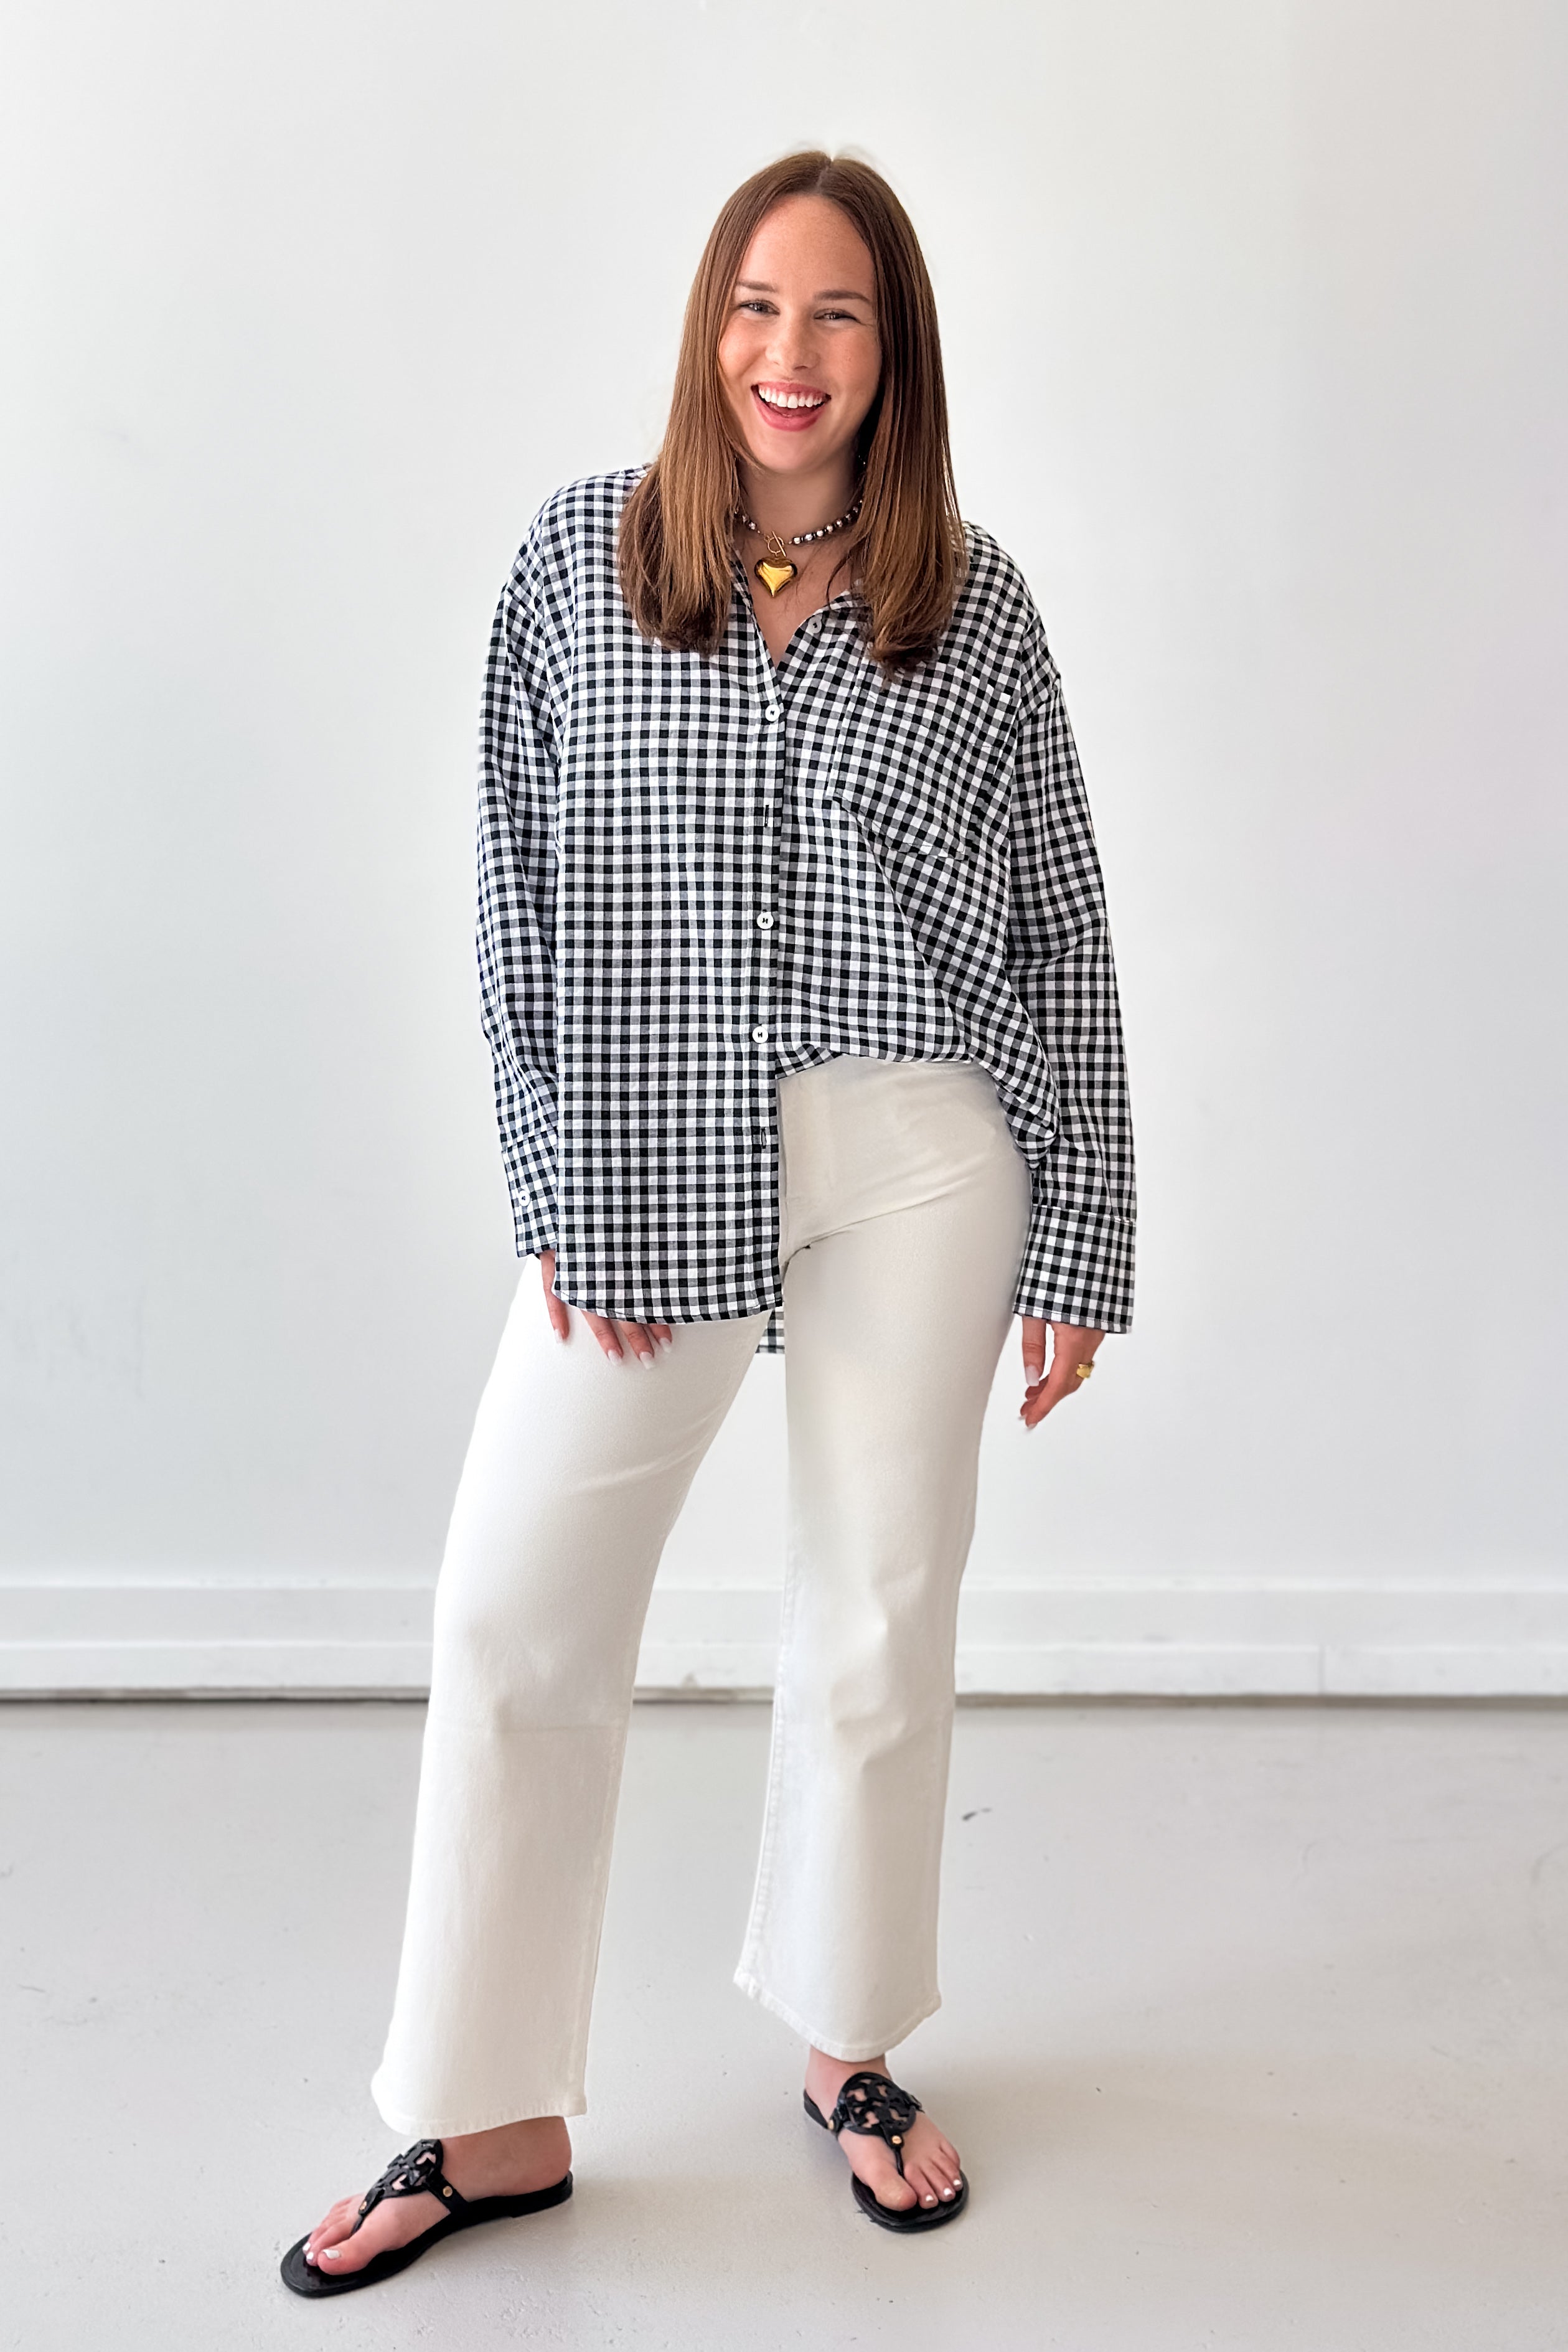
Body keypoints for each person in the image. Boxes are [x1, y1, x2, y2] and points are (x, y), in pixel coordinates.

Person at [281, 147, 1134, 2298]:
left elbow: (1062, 922)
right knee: (513, 1604)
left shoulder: (974, 604)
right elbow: (510, 884)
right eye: (759, 303)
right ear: (708, 324)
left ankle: (853, 2046)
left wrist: (1086, 1232)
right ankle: (485, 2113)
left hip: (924, 1147)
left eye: (839, 312)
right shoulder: (581, 561)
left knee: (878, 1607)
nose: (792, 352)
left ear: (894, 349)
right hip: (648, 1150)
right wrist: (554, 1171)